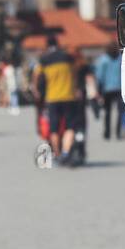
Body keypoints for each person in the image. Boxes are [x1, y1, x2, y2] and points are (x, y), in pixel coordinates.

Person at [35, 35, 78, 165]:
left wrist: (37, 91)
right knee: (70, 127)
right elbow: (75, 73)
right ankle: (66, 152)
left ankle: (58, 154)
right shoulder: (68, 57)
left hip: (52, 98)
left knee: (54, 128)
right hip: (69, 96)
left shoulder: (44, 60)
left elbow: (37, 76)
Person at [92, 45, 125, 140]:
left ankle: (107, 133)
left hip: (107, 90)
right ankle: (118, 132)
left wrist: (99, 90)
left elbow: (99, 76)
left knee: (107, 112)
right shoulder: (120, 58)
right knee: (120, 112)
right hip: (119, 88)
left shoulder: (103, 60)